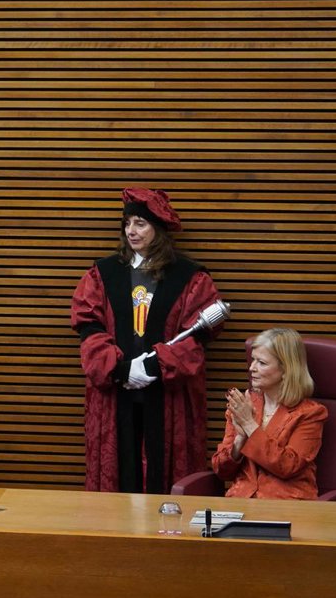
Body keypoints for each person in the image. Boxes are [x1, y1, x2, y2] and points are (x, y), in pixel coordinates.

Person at [70, 188, 223, 494]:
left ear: (158, 228)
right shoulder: (102, 274)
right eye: (127, 223)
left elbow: (197, 339)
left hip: (168, 396)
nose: (131, 231)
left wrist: (153, 366)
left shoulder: (189, 277)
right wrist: (122, 370)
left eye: (140, 224)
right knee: (119, 475)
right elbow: (89, 328)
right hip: (116, 394)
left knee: (164, 480)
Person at [212, 327, 328, 499]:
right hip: (240, 504)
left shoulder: (310, 413)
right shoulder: (244, 406)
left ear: (286, 369)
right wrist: (240, 440)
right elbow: (222, 471)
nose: (252, 368)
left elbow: (287, 466)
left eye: (262, 362)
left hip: (287, 504)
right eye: (253, 360)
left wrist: (249, 425)